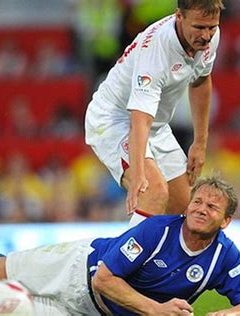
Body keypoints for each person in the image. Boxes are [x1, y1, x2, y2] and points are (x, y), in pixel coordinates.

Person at [0, 176, 240, 316]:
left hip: (96, 311)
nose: (201, 208)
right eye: (197, 201)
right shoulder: (156, 231)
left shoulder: (223, 255)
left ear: (226, 220)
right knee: (2, 270)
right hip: (79, 267)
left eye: (212, 206)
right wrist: (156, 310)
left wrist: (224, 315)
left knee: (15, 309)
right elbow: (105, 279)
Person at [84, 0, 223, 225]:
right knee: (153, 191)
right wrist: (138, 173)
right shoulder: (157, 49)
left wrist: (200, 142)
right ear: (179, 16)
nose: (206, 36)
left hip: (155, 126)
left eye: (212, 27)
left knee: (185, 206)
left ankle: (162, 261)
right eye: (199, 27)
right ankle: (117, 261)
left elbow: (201, 81)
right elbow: (139, 119)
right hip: (113, 119)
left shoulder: (209, 37)